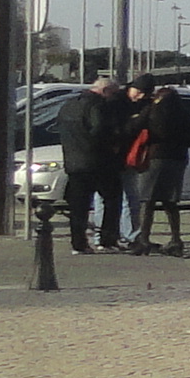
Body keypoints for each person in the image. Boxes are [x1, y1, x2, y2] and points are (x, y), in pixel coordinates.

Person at [56, 81, 135, 253]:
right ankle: (107, 240)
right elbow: (100, 129)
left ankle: (78, 244)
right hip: (99, 162)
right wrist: (114, 143)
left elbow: (60, 129)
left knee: (78, 206)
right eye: (113, 94)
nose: (114, 98)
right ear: (105, 91)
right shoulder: (98, 106)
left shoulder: (68, 105)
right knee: (112, 199)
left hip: (74, 162)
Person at [129, 81, 190, 253]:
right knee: (170, 201)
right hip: (178, 158)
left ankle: (144, 239)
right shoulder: (183, 114)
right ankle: (176, 239)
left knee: (148, 199)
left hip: (156, 157)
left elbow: (134, 126)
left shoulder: (153, 111)